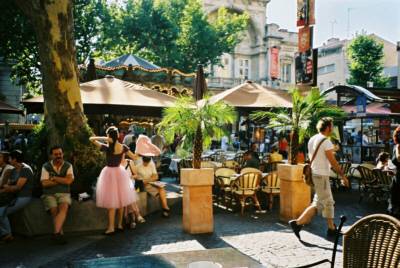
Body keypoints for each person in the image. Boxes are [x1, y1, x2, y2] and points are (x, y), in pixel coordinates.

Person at [288, 117, 349, 240]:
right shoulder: (325, 141)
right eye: (331, 126)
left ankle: (299, 223)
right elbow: (333, 161)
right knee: (328, 202)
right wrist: (343, 176)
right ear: (327, 127)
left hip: (316, 174)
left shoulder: (312, 139)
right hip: (321, 175)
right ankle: (329, 229)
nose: (332, 128)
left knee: (319, 203)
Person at [90, 127, 152, 235]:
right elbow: (135, 157)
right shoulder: (123, 147)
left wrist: (106, 139)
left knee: (112, 204)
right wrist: (139, 149)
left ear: (109, 136)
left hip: (109, 173)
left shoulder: (107, 147)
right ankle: (119, 225)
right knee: (121, 200)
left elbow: (92, 139)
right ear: (118, 135)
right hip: (120, 173)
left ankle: (111, 228)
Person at [40, 146, 74, 244]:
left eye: (60, 154)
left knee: (64, 208)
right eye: (56, 154)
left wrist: (54, 178)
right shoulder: (46, 166)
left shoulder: (68, 165)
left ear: (62, 154)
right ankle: (60, 234)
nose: (58, 156)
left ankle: (56, 233)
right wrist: (62, 180)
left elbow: (69, 181)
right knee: (54, 210)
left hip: (64, 193)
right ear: (51, 155)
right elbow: (44, 183)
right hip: (49, 193)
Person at [0, 150, 34, 242]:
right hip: (14, 196)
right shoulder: (15, 169)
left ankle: (7, 234)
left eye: (10, 158)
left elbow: (18, 187)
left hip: (24, 197)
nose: (9, 160)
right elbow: (10, 183)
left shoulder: (25, 169)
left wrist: (7, 187)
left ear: (15, 159)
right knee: (2, 211)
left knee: (3, 213)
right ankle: (6, 234)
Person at [122, 158, 146, 229]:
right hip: (120, 184)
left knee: (128, 190)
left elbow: (136, 175)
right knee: (127, 192)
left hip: (130, 182)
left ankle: (130, 219)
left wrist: (130, 177)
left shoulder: (129, 162)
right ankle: (136, 215)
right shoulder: (115, 162)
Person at [390, 126, 400, 218]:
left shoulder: (396, 148)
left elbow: (399, 159)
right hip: (396, 178)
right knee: (394, 204)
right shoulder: (395, 147)